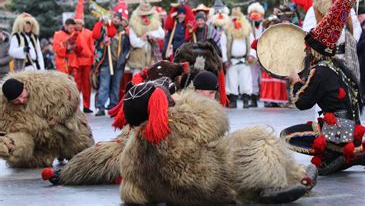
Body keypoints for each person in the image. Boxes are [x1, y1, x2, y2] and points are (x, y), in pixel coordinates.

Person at [116, 82, 317, 205]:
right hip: (216, 183)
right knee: (259, 138)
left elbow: (133, 195)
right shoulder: (176, 120)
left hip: (184, 198)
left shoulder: (129, 155)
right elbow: (218, 121)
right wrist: (186, 99)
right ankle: (283, 180)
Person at [287, 0, 365, 175]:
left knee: (296, 129)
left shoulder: (319, 69)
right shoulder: (317, 10)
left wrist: (295, 81)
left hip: (337, 62)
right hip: (339, 63)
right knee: (344, 103)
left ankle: (337, 153)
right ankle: (351, 151)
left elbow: (301, 101)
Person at [0, 71, 94, 168]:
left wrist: (59, 117)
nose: (21, 100)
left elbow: (71, 95)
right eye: (16, 100)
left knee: (82, 151)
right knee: (20, 150)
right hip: (39, 143)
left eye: (21, 96)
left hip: (65, 132)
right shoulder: (4, 106)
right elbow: (5, 126)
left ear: (25, 86)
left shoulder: (48, 85)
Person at [92, 14, 124, 116]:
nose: (116, 20)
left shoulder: (123, 32)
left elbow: (125, 46)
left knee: (115, 86)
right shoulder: (104, 29)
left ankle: (113, 106)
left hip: (118, 63)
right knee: (104, 86)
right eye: (114, 18)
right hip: (106, 62)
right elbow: (95, 35)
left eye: (118, 19)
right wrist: (100, 22)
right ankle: (101, 107)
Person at [224, 7, 256, 108]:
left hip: (244, 60)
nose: (236, 22)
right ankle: (233, 101)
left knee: (245, 81)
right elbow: (224, 46)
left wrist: (251, 55)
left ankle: (246, 101)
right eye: (234, 19)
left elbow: (252, 43)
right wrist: (225, 60)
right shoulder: (227, 31)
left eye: (239, 19)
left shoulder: (247, 30)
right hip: (232, 61)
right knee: (231, 82)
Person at [128, 0, 164, 73]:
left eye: (149, 15)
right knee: (137, 82)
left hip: (151, 60)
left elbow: (161, 34)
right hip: (138, 61)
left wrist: (149, 34)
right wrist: (142, 39)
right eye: (143, 16)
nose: (146, 19)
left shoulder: (154, 24)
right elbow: (134, 43)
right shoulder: (134, 26)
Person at [247, 2, 265, 107]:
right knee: (253, 77)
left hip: (263, 54)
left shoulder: (265, 25)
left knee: (263, 77)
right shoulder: (248, 27)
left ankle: (266, 97)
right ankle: (253, 97)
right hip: (252, 54)